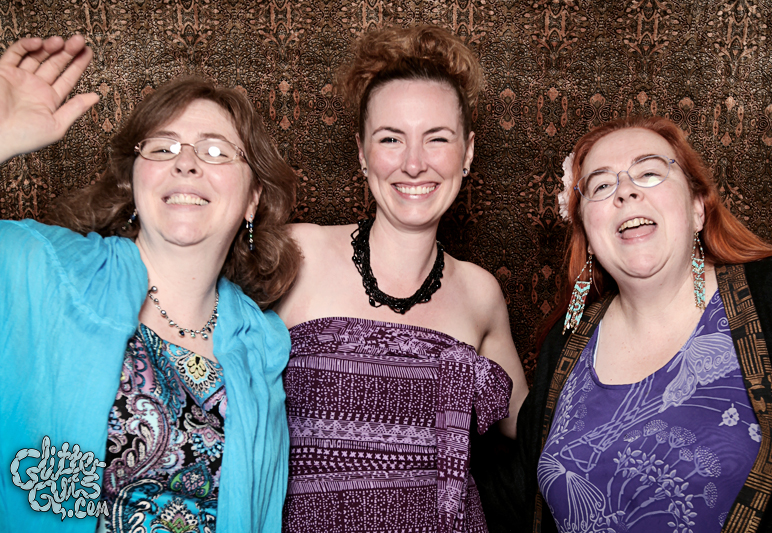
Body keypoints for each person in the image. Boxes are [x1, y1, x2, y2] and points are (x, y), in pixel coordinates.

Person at [0, 35, 301, 532]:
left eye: (216, 151)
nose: (186, 162)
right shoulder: (42, 267)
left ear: (253, 198)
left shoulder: (261, 344)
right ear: (132, 183)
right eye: (163, 148)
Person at [483, 115, 772, 533]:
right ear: (587, 233)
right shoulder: (565, 343)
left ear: (697, 208)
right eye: (601, 185)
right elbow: (513, 499)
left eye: (649, 172)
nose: (626, 191)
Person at [273, 25, 528, 532]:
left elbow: (541, 430)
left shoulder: (480, 292)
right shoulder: (298, 254)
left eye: (437, 139)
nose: (414, 164)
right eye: (391, 139)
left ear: (467, 153)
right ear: (362, 152)